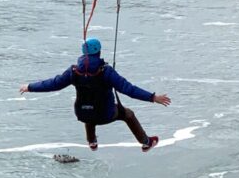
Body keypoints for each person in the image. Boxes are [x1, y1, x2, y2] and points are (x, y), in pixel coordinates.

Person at [19, 38, 171, 152]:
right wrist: (152, 97)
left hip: (82, 113)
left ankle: (92, 141)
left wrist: (30, 87)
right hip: (106, 114)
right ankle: (146, 142)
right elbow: (128, 89)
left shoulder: (73, 71)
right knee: (128, 114)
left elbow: (53, 84)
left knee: (88, 109)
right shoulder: (105, 71)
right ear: (98, 52)